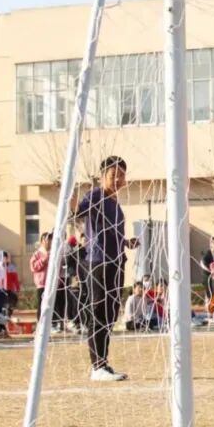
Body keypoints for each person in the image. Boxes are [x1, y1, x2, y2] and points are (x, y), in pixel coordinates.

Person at [74, 156, 139, 382]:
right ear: (102, 177)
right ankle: (97, 367)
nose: (118, 179)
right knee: (99, 312)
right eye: (113, 175)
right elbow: (77, 212)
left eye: (121, 175)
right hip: (98, 263)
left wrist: (126, 242)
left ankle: (103, 362)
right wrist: (71, 194)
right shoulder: (95, 195)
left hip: (116, 261)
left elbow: (111, 233)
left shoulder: (115, 203)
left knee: (111, 314)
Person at [30, 232, 72, 332]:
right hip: (42, 284)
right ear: (42, 241)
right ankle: (41, 325)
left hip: (53, 284)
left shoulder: (54, 253)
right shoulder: (37, 254)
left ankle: (54, 324)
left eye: (50, 240)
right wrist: (44, 259)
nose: (48, 242)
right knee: (42, 305)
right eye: (46, 240)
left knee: (54, 305)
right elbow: (33, 267)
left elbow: (59, 267)